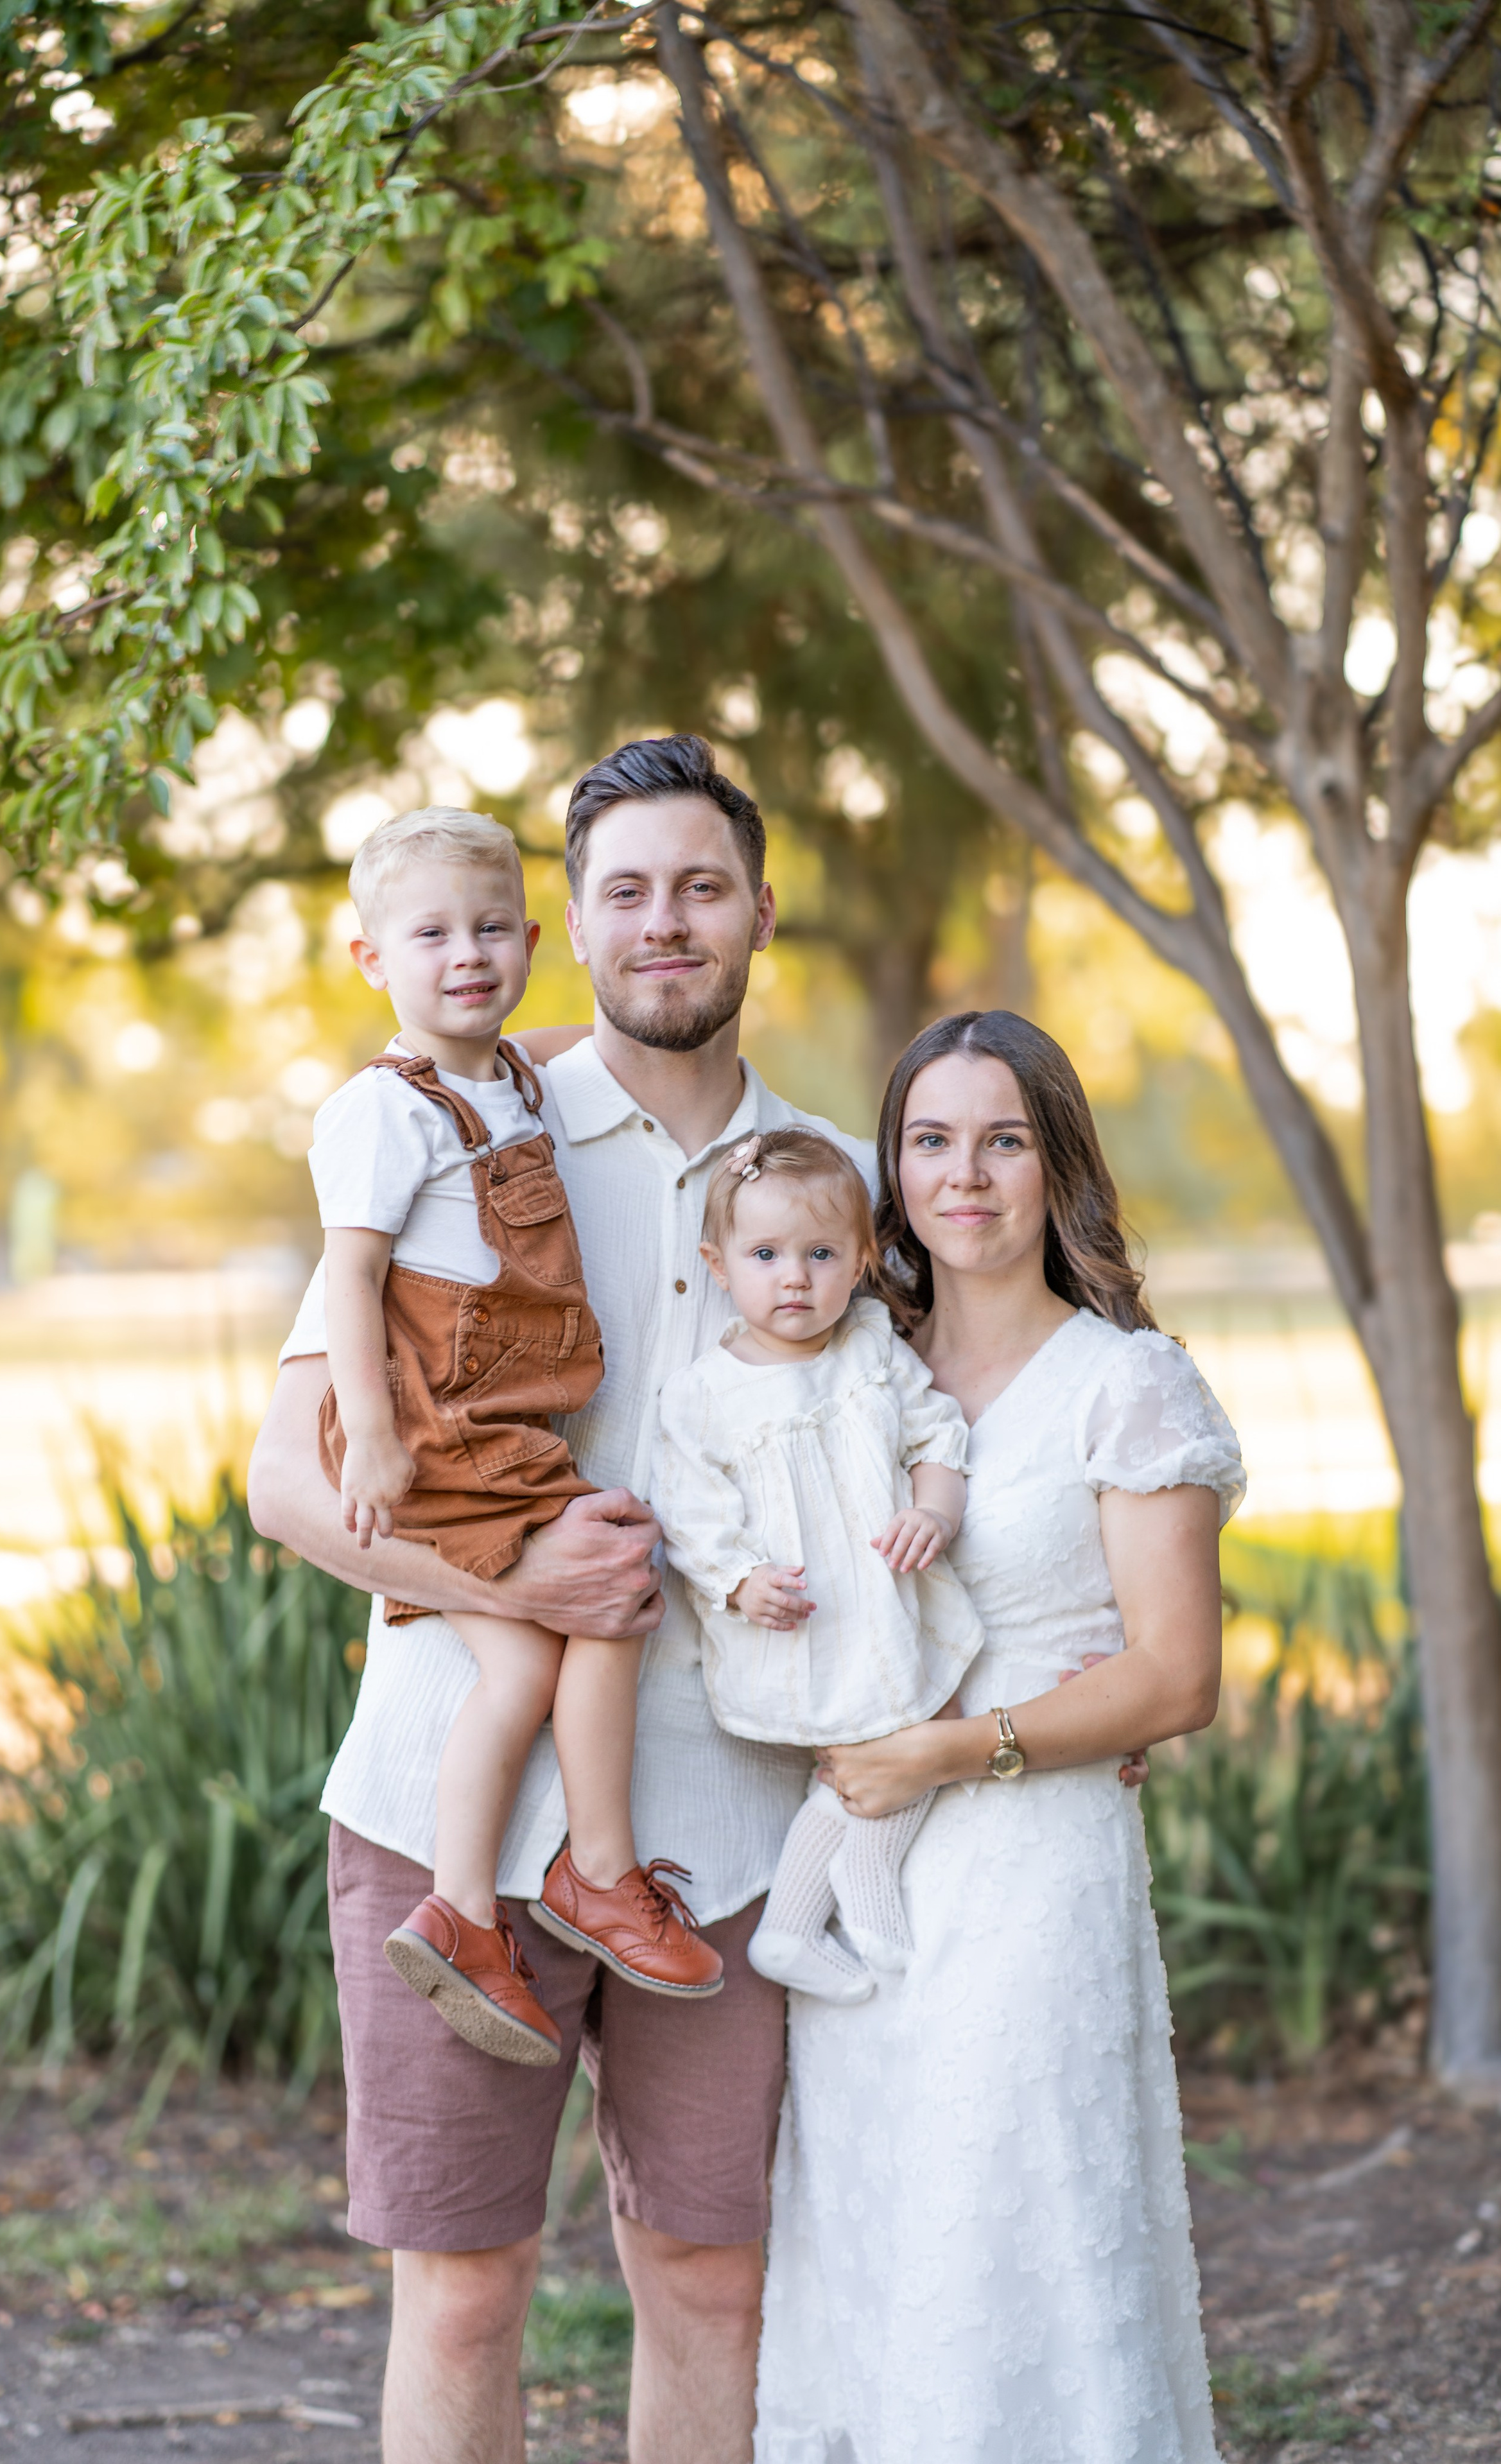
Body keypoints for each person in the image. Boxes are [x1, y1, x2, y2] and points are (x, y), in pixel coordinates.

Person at [247, 734, 874, 2464]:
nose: (666, 921)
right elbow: (287, 1480)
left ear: (759, 911)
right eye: (627, 892)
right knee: (461, 2284)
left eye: (702, 886)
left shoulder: (833, 1180)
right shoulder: (457, 1124)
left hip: (732, 1830)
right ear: (569, 931)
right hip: (452, 1791)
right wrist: (507, 1567)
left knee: (707, 2270)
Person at [752, 1008, 1245, 2464]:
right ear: (889, 1167)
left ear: (1056, 1163)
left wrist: (947, 1751)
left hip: (1031, 1872)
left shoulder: (1124, 1384)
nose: (962, 1174)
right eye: (928, 1140)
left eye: (1002, 1139)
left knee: (1010, 2234)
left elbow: (1173, 1677)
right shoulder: (849, 1361)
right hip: (858, 1881)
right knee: (876, 2236)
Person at [311, 804, 722, 2068]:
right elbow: (350, 1279)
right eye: (429, 933)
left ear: (535, 937)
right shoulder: (382, 1110)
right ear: (370, 957)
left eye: (491, 928)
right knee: (607, 1584)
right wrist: (373, 1439)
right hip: (451, 1432)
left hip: (503, 1427)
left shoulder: (512, 1078)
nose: (466, 954)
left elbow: (553, 1052)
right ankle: (587, 1876)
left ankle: (467, 1908)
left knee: (530, 1665)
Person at [650, 1127, 985, 2001]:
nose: (794, 1275)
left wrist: (933, 1509)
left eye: (821, 1252)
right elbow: (689, 1511)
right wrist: (736, 1580)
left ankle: (799, 1924)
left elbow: (937, 1433)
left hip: (886, 1600)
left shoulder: (871, 1347)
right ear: (719, 1265)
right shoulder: (702, 1395)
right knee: (872, 1753)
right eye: (766, 1253)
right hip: (805, 1626)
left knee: (923, 1721)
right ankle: (857, 1902)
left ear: (862, 1261)